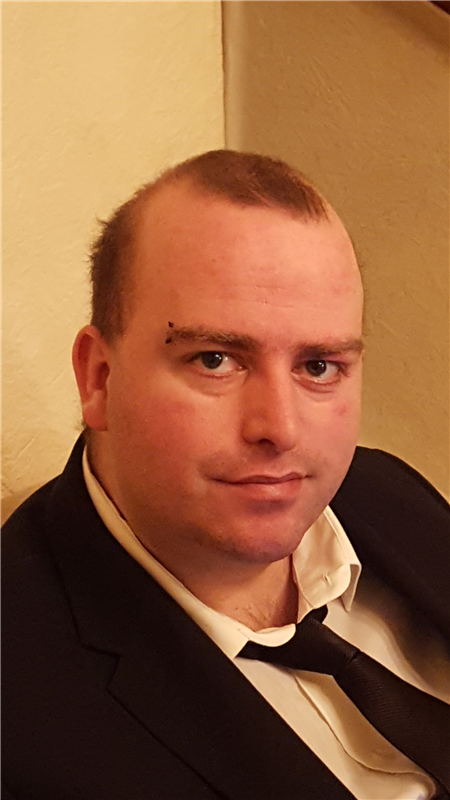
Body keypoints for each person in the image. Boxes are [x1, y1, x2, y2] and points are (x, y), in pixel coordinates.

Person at [1, 150, 449, 800]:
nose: (280, 428)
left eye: (319, 366)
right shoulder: (20, 709)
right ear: (99, 378)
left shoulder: (386, 493)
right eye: (215, 359)